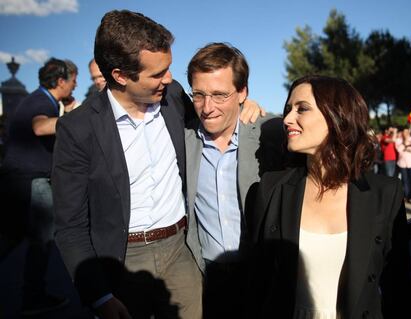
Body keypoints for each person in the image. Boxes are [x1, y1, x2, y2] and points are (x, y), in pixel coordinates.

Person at [52, 10, 262, 319]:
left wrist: (247, 104)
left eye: (168, 69)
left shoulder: (174, 97)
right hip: (122, 259)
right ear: (120, 75)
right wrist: (99, 297)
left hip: (181, 251)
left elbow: (217, 112)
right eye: (157, 73)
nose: (168, 78)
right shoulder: (78, 129)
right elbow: (70, 227)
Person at [248, 75, 411, 318]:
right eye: (288, 110)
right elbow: (257, 283)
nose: (288, 119)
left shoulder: (385, 193)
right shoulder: (271, 189)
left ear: (337, 117)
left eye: (301, 109)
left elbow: (397, 287)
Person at [185, 42, 285, 319]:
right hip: (207, 277)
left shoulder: (272, 134)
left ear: (243, 92)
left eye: (219, 95)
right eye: (199, 95)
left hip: (262, 275)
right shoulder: (181, 139)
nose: (207, 107)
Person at [0, 57, 77, 316]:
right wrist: (78, 119)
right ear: (60, 81)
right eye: (73, 81)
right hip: (32, 180)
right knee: (42, 241)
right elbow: (40, 127)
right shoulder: (42, 102)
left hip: (16, 177)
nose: (75, 86)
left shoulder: (38, 99)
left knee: (11, 236)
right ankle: (33, 297)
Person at [396, 127, 411, 202]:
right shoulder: (399, 140)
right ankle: (407, 196)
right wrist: (405, 143)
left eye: (407, 132)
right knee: (405, 180)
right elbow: (399, 150)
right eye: (404, 132)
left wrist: (408, 149)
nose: (406, 134)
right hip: (402, 164)